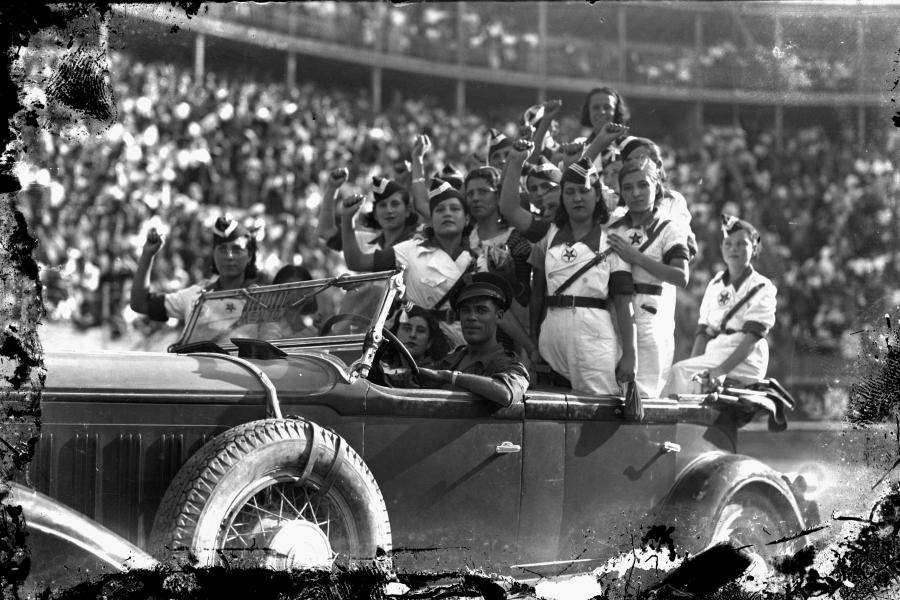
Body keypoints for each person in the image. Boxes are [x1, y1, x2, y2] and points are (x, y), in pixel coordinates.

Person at [529, 157, 637, 395]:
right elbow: (537, 293)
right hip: (552, 335)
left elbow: (622, 301)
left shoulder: (611, 239)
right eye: (569, 192)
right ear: (562, 197)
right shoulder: (549, 236)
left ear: (597, 195)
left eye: (584, 191)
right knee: (553, 408)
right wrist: (534, 339)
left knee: (600, 405)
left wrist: (630, 353)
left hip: (593, 335)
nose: (577, 198)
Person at [341, 177, 475, 352]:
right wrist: (347, 218)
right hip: (418, 349)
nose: (447, 213)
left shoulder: (480, 256)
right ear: (431, 219)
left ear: (466, 219)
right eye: (440, 210)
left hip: (465, 348)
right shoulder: (410, 250)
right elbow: (356, 261)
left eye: (454, 209)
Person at [662, 215, 777, 397]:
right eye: (728, 243)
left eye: (742, 244)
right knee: (685, 373)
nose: (734, 249)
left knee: (678, 371)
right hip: (715, 353)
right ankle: (680, 423)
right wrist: (694, 365)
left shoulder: (762, 286)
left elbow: (753, 337)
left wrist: (721, 371)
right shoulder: (716, 284)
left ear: (754, 248)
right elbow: (704, 331)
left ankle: (663, 424)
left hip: (747, 359)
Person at [607, 157, 691, 398]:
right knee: (612, 391)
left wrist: (636, 257)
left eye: (643, 185)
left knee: (644, 392)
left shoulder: (669, 228)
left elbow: (680, 276)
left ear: (656, 186)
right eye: (628, 187)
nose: (636, 193)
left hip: (650, 314)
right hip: (613, 314)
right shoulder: (614, 228)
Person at [129, 215, 259, 339]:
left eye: (237, 250)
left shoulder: (262, 300)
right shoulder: (196, 296)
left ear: (249, 255)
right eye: (222, 249)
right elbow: (140, 303)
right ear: (213, 254)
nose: (229, 256)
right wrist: (147, 255)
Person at [418, 273, 530, 407]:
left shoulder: (510, 366)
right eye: (466, 310)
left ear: (499, 316)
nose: (471, 317)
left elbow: (505, 393)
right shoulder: (451, 360)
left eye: (481, 310)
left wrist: (451, 378)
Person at [318, 170, 420, 253]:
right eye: (382, 205)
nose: (389, 210)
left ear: (407, 210)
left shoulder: (418, 242)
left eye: (395, 204)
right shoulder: (367, 241)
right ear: (375, 214)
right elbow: (326, 232)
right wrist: (332, 189)